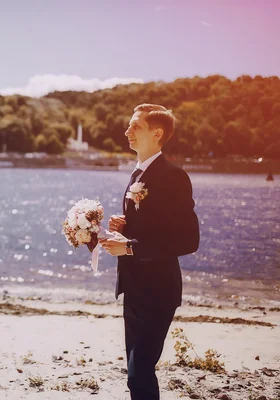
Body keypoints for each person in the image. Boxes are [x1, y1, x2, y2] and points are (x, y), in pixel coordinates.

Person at [101, 104, 200, 400]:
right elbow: (154, 227)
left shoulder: (173, 177)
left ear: (156, 134)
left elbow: (188, 240)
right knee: (136, 374)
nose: (126, 131)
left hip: (157, 291)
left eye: (135, 127)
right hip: (133, 290)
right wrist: (124, 226)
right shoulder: (137, 175)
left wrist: (129, 247)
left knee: (139, 371)